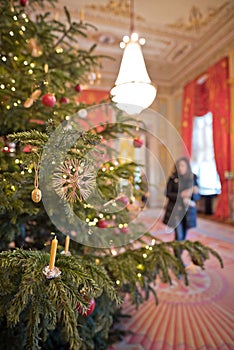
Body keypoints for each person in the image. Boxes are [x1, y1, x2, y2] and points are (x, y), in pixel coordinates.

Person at [163, 157, 200, 245]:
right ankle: (177, 257)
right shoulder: (173, 178)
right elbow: (167, 193)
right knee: (179, 236)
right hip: (175, 210)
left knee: (183, 236)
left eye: (183, 166)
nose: (180, 168)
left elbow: (197, 195)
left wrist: (192, 194)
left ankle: (178, 255)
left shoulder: (192, 178)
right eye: (179, 166)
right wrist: (180, 196)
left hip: (188, 211)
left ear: (187, 166)